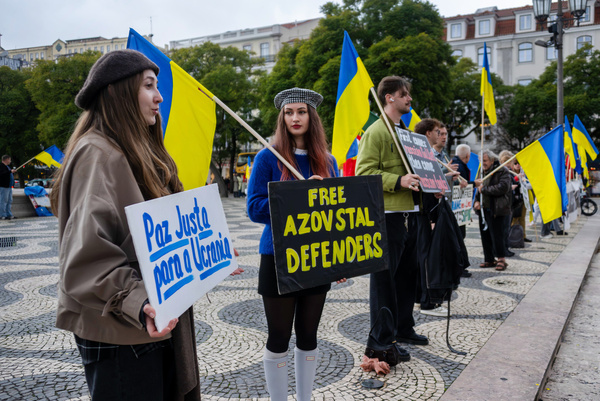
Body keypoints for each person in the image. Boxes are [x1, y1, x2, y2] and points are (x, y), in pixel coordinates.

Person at [50, 50, 201, 401]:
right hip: (122, 333)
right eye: (149, 86)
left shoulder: (136, 151)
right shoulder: (98, 154)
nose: (160, 97)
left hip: (146, 326)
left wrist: (204, 249)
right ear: (120, 93)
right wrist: (138, 300)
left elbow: (158, 231)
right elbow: (86, 259)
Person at [247, 88, 343, 401]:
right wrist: (295, 197)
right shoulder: (267, 157)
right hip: (277, 257)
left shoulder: (328, 162)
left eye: (301, 111)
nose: (295, 118)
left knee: (308, 335)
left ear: (311, 117)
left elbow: (339, 216)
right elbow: (254, 207)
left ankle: (305, 398)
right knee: (278, 336)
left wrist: (339, 259)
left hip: (316, 259)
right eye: (289, 113)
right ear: (282, 118)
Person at [355, 76, 428, 365]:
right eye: (404, 94)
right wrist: (399, 180)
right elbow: (363, 174)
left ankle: (402, 329)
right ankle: (381, 344)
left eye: (408, 93)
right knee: (384, 284)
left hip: (410, 215)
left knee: (406, 279)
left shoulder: (406, 132)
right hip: (388, 218)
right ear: (389, 98)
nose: (409, 98)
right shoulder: (377, 131)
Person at [474, 150, 512, 271]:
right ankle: (489, 259)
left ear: (491, 160)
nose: (483, 163)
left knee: (498, 236)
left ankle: (501, 260)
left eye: (485, 161)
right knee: (485, 235)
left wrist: (484, 189)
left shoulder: (502, 170)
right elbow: (478, 188)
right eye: (481, 161)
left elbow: (503, 187)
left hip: (497, 209)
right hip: (484, 209)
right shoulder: (481, 171)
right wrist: (476, 201)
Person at [0, 155, 16, 220]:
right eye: (9, 159)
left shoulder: (7, 167)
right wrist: (10, 171)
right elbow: (2, 174)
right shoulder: (1, 166)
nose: (10, 161)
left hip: (9, 186)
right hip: (4, 186)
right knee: (3, 201)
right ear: (6, 159)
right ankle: (2, 215)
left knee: (9, 200)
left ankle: (8, 214)